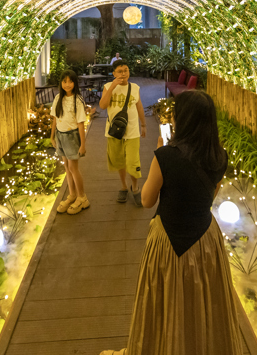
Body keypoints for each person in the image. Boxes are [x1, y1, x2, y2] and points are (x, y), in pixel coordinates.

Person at [101, 90, 244, 355]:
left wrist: (159, 154)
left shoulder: (166, 156)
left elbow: (146, 201)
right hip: (205, 239)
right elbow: (210, 197)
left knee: (165, 298)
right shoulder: (219, 156)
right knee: (202, 299)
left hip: (168, 241)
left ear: (183, 120)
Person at [99, 60, 147, 205]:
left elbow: (139, 107)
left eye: (125, 70)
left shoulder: (134, 88)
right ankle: (123, 187)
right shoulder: (108, 87)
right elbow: (102, 105)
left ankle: (135, 188)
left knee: (133, 162)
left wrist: (143, 124)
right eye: (119, 71)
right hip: (114, 132)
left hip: (132, 131)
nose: (123, 74)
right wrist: (113, 85)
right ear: (113, 73)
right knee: (119, 161)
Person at [50, 70, 89, 215]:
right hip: (60, 135)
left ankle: (82, 197)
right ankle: (72, 194)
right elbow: (54, 118)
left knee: (73, 167)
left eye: (70, 81)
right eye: (64, 81)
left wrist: (83, 145)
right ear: (61, 83)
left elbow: (80, 124)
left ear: (75, 83)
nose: (67, 84)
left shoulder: (77, 100)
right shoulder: (58, 98)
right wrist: (52, 136)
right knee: (66, 166)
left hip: (72, 136)